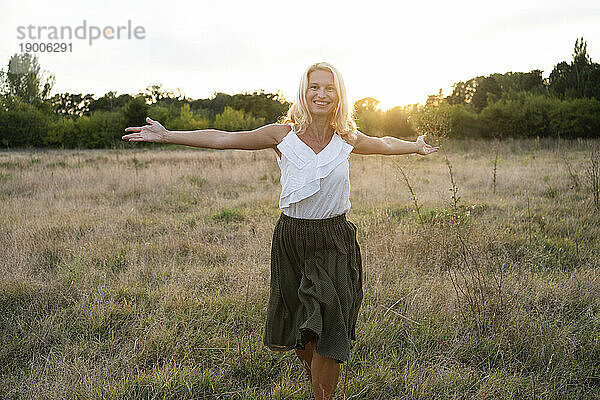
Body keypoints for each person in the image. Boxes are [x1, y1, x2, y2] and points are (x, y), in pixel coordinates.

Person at [122, 61, 438, 399]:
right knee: (305, 331)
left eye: (329, 88)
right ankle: (315, 373)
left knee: (329, 318)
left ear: (338, 95)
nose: (321, 94)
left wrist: (415, 145)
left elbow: (386, 143)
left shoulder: (346, 137)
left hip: (333, 239)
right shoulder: (282, 135)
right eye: (314, 86)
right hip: (291, 240)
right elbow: (224, 138)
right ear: (304, 92)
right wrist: (168, 135)